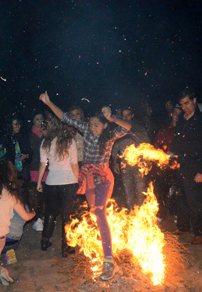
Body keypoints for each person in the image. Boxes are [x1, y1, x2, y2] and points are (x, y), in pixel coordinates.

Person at [39, 91, 131, 280]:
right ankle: (105, 247)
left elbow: (128, 128)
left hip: (103, 177)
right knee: (94, 213)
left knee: (99, 212)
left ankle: (108, 261)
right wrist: (49, 103)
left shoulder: (110, 134)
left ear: (104, 125)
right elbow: (64, 117)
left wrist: (112, 117)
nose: (93, 128)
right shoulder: (86, 130)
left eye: (97, 125)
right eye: (91, 124)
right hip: (88, 178)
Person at [171, 88, 202, 245]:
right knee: (181, 197)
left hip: (195, 167)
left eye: (187, 103)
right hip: (181, 165)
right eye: (181, 104)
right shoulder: (181, 119)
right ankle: (183, 226)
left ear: (194, 101)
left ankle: (200, 232)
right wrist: (171, 157)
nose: (184, 107)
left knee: (196, 201)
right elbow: (177, 140)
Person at [37, 113, 79, 256]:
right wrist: (77, 181)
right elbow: (74, 165)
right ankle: (66, 246)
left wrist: (39, 182)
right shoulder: (70, 141)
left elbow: (43, 165)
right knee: (68, 216)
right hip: (69, 182)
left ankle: (44, 241)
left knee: (50, 213)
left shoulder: (45, 142)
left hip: (52, 182)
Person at [111, 108, 149, 210]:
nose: (125, 117)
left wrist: (147, 163)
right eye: (123, 115)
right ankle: (131, 212)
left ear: (132, 115)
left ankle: (140, 214)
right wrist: (115, 164)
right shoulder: (119, 130)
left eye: (128, 115)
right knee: (128, 192)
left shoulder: (139, 128)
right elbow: (114, 149)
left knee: (140, 191)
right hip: (125, 166)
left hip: (139, 165)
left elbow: (147, 146)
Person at [28, 112, 47, 232]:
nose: (39, 121)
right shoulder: (31, 135)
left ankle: (41, 216)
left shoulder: (47, 134)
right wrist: (44, 136)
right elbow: (37, 149)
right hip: (36, 168)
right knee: (37, 196)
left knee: (45, 195)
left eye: (41, 119)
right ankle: (37, 219)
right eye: (36, 119)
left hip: (47, 168)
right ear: (33, 121)